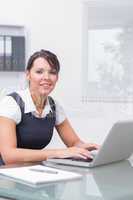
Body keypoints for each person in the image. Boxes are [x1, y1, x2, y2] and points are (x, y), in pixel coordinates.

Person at [0, 49, 99, 165]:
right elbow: (9, 156)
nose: (46, 77)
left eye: (52, 72)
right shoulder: (11, 103)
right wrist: (58, 153)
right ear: (28, 75)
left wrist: (88, 147)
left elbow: (73, 143)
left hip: (30, 170)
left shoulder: (54, 106)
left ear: (57, 78)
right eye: (39, 72)